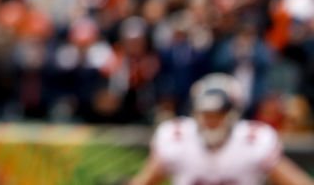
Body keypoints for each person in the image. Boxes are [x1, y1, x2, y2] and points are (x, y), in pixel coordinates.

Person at [129, 74, 314, 185]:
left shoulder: (254, 140)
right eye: (205, 113)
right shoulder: (177, 137)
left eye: (217, 114)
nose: (211, 121)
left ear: (233, 112)